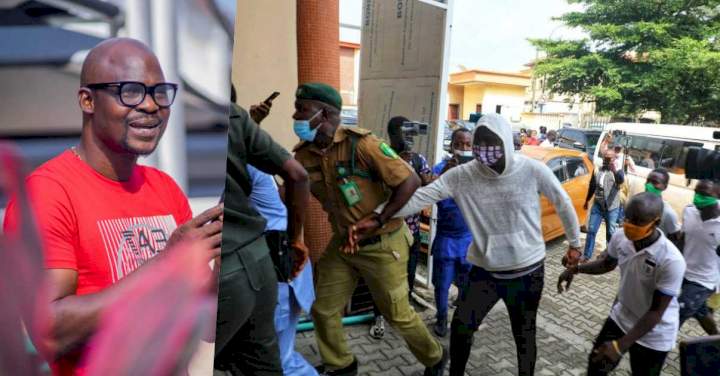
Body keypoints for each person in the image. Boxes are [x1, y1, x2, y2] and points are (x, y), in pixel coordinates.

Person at [2, 38, 224, 376]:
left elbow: (204, 319)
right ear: (87, 100)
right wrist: (166, 264)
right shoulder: (47, 193)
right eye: (131, 92)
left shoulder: (164, 188)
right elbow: (49, 332)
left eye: (159, 93)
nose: (151, 106)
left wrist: (231, 259)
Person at [356, 113, 583, 376]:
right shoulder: (463, 175)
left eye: (493, 143)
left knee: (524, 335)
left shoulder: (532, 170)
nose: (486, 151)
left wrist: (575, 244)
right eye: (480, 143)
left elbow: (563, 202)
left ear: (507, 143)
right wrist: (378, 216)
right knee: (462, 327)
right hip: (485, 271)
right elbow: (421, 197)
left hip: (527, 272)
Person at [292, 83, 447, 376]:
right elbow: (297, 196)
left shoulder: (361, 145)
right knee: (323, 308)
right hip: (345, 245)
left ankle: (436, 357)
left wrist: (377, 219)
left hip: (383, 243)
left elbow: (410, 181)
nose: (295, 115)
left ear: (323, 114)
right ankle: (341, 365)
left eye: (302, 109)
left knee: (397, 314)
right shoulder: (304, 155)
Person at [216, 85, 311, 374]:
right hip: (274, 258)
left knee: (284, 358)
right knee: (273, 355)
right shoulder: (261, 161)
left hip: (278, 257)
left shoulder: (244, 163)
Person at [558, 193, 686, 376]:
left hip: (655, 333)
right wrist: (575, 269)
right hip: (622, 316)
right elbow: (607, 264)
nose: (629, 224)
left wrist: (620, 347)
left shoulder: (671, 260)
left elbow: (656, 313)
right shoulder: (621, 237)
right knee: (596, 365)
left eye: (637, 221)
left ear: (655, 223)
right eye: (627, 217)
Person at [368, 116, 433, 340]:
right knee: (383, 279)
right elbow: (379, 186)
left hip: (412, 231)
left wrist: (412, 166)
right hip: (388, 229)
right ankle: (379, 317)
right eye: (402, 132)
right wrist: (398, 164)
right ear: (392, 134)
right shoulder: (382, 155)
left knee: (409, 275)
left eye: (410, 133)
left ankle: (403, 315)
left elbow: (426, 180)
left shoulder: (417, 158)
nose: (407, 137)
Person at [429, 128, 474, 338]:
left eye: (468, 145)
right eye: (459, 143)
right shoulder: (439, 169)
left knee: (467, 284)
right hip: (446, 238)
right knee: (442, 284)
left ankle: (462, 319)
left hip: (468, 239)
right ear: (451, 145)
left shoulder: (477, 172)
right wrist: (446, 171)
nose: (463, 148)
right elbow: (430, 195)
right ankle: (441, 319)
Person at [676, 180, 720, 335]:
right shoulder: (689, 211)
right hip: (683, 271)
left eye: (705, 194)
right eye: (697, 192)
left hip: (704, 281)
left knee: (676, 313)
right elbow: (682, 239)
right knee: (701, 313)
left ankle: (655, 352)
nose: (698, 197)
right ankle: (716, 341)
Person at [582, 150, 625, 261]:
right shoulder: (598, 169)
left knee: (610, 233)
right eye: (605, 158)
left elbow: (620, 180)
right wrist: (587, 200)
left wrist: (613, 168)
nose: (607, 160)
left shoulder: (618, 171)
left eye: (610, 158)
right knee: (591, 230)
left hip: (612, 207)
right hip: (598, 205)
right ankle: (586, 255)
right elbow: (592, 185)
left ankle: (609, 256)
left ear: (614, 159)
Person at [644, 168, 681, 244]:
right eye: (648, 181)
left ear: (665, 187)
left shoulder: (668, 214)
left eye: (655, 182)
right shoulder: (637, 205)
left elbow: (674, 241)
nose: (649, 185)